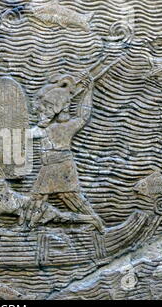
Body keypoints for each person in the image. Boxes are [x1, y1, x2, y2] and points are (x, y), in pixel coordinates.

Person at [29, 73, 105, 233]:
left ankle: (95, 221)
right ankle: (29, 227)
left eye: (48, 109)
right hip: (47, 166)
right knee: (37, 198)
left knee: (70, 197)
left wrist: (89, 92)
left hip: (62, 166)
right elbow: (27, 134)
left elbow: (84, 115)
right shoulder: (44, 128)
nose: (42, 113)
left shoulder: (66, 127)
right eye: (43, 109)